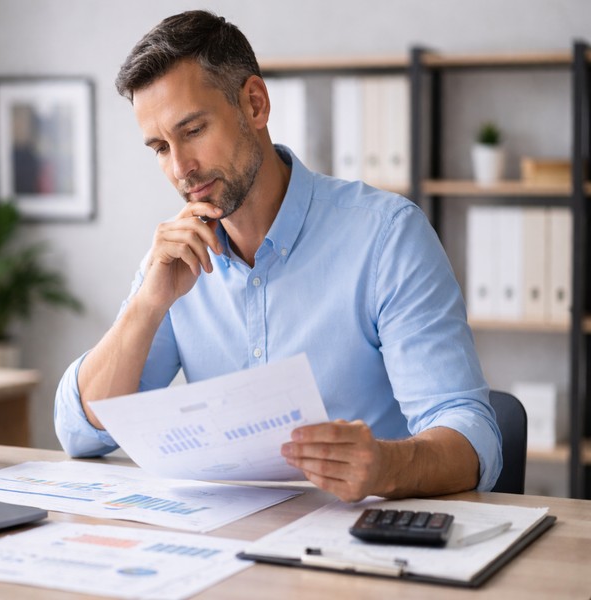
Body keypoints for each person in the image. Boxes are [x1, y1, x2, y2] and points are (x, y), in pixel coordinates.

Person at [55, 10, 502, 502]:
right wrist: (146, 305)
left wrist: (387, 465)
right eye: (160, 147)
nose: (180, 168)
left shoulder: (387, 238)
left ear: (254, 104)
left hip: (357, 549)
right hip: (223, 551)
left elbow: (472, 437)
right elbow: (81, 433)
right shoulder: (175, 263)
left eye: (194, 130)